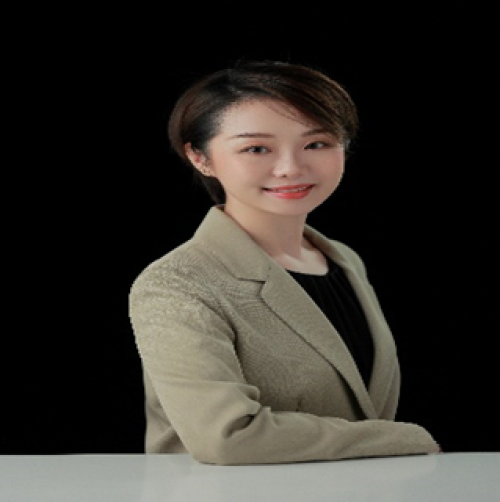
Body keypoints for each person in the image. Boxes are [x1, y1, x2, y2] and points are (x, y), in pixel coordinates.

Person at [128, 59, 440, 465]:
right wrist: (405, 439)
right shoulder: (177, 283)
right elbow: (228, 438)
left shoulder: (344, 260)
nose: (291, 167)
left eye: (317, 144)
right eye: (256, 148)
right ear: (200, 158)